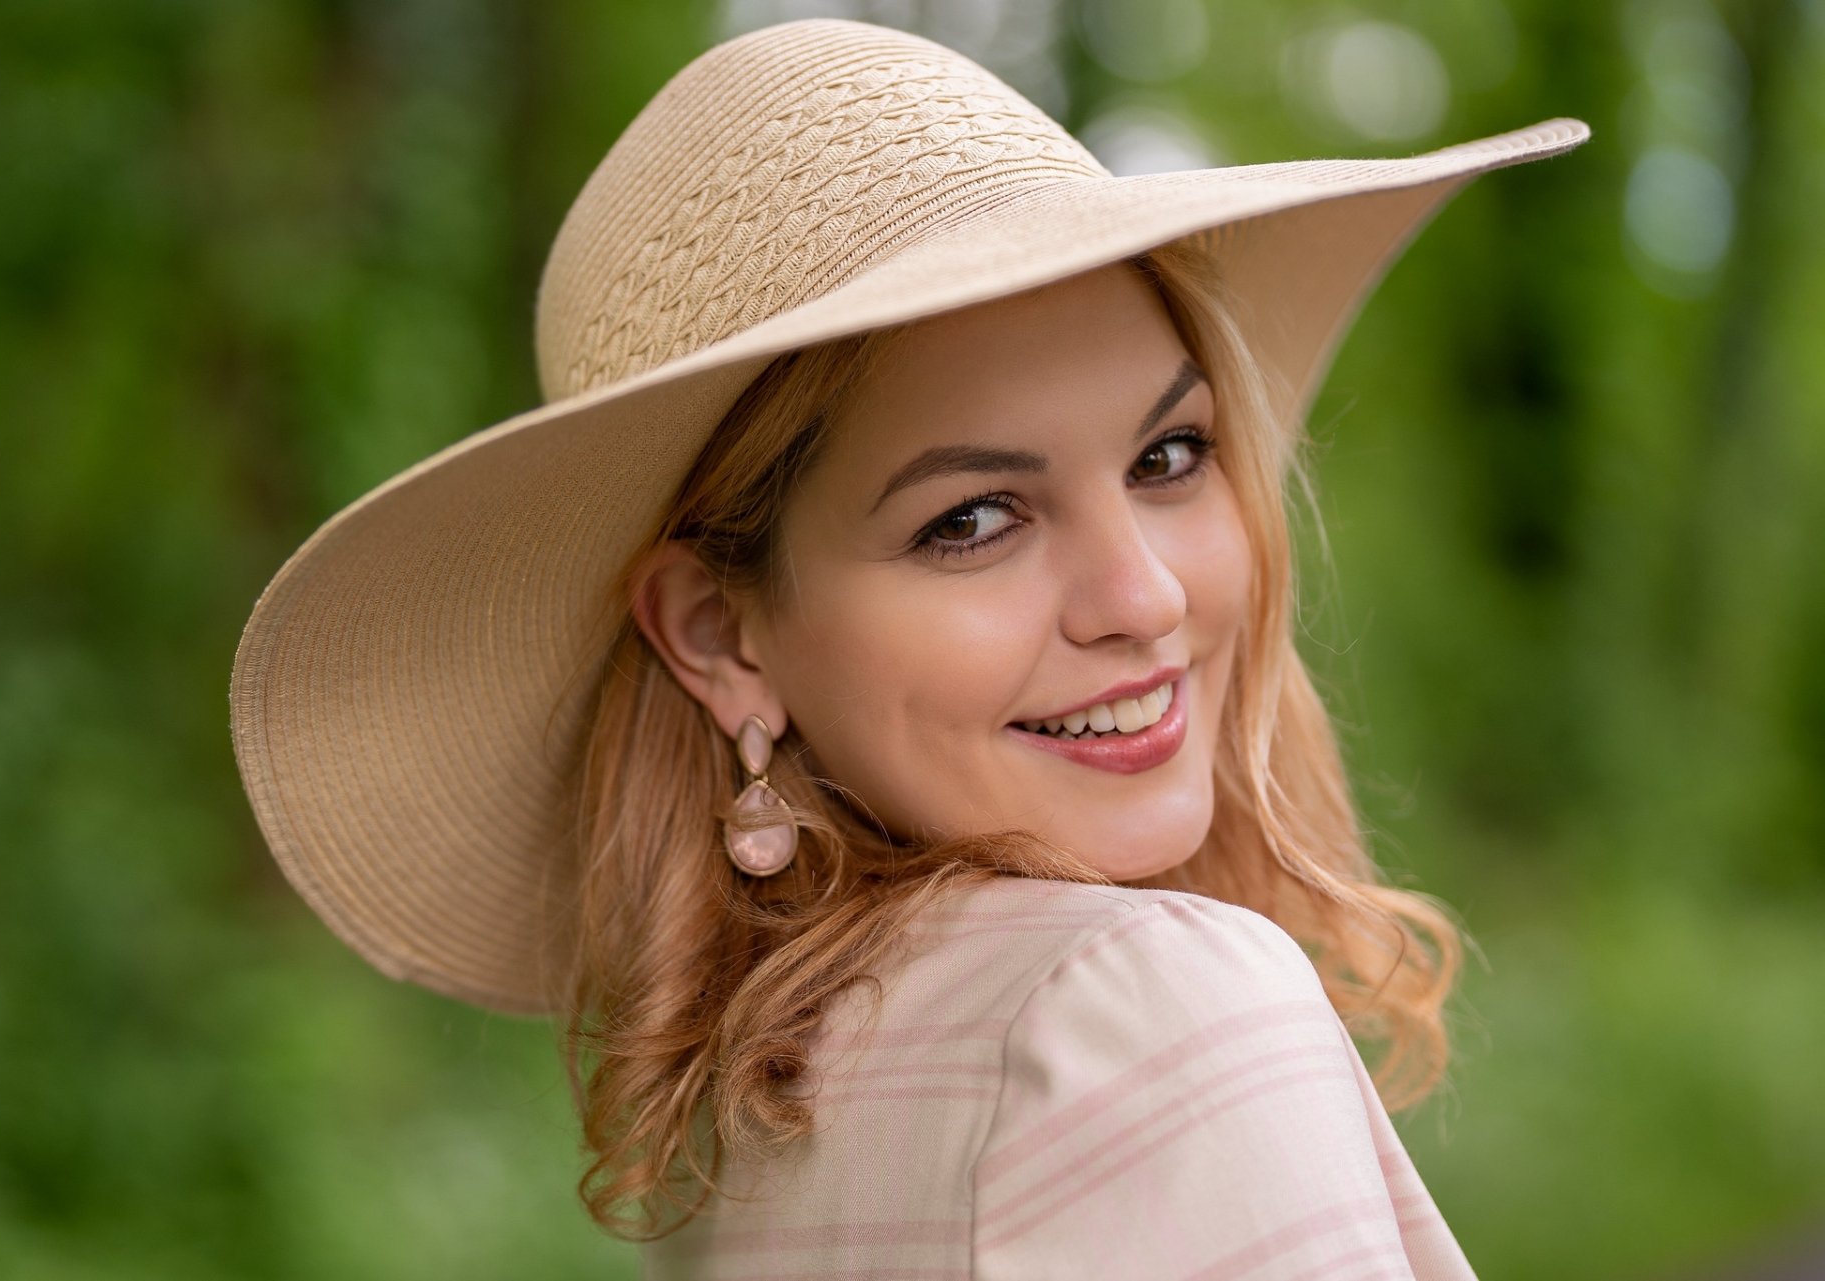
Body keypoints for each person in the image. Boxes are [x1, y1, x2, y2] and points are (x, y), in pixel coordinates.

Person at [228, 17, 1588, 1279]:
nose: (1143, 594)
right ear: (721, 634)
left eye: (1170, 453)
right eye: (975, 518)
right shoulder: (1140, 1011)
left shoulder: (757, 1118)